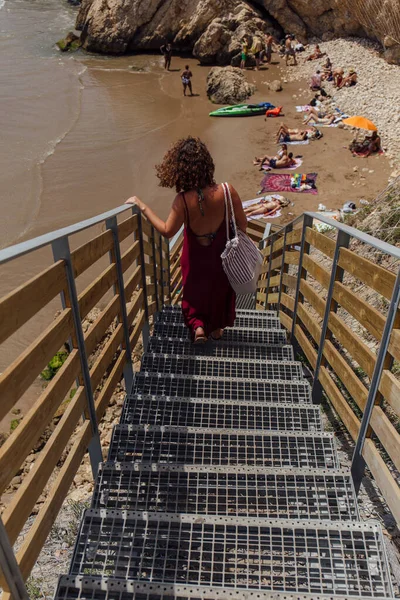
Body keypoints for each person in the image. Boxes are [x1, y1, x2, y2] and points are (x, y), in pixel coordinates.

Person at [124, 136, 247, 344]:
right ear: (207, 164)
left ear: (180, 169)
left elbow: (167, 231)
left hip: (195, 257)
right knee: (220, 288)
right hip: (222, 253)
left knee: (194, 292)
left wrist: (142, 206)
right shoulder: (227, 191)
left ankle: (198, 327)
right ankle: (216, 329)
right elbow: (243, 224)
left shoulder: (182, 200)